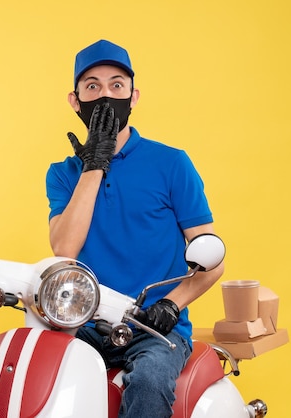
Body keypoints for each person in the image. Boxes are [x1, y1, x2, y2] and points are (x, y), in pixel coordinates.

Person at [45, 39, 225, 418]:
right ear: (75, 101)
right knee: (40, 371)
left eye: (116, 85)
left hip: (155, 328)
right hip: (87, 323)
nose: (105, 94)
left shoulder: (172, 163)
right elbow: (64, 249)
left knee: (149, 381)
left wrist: (170, 306)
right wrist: (94, 165)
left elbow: (212, 259)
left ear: (133, 96)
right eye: (92, 86)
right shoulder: (63, 174)